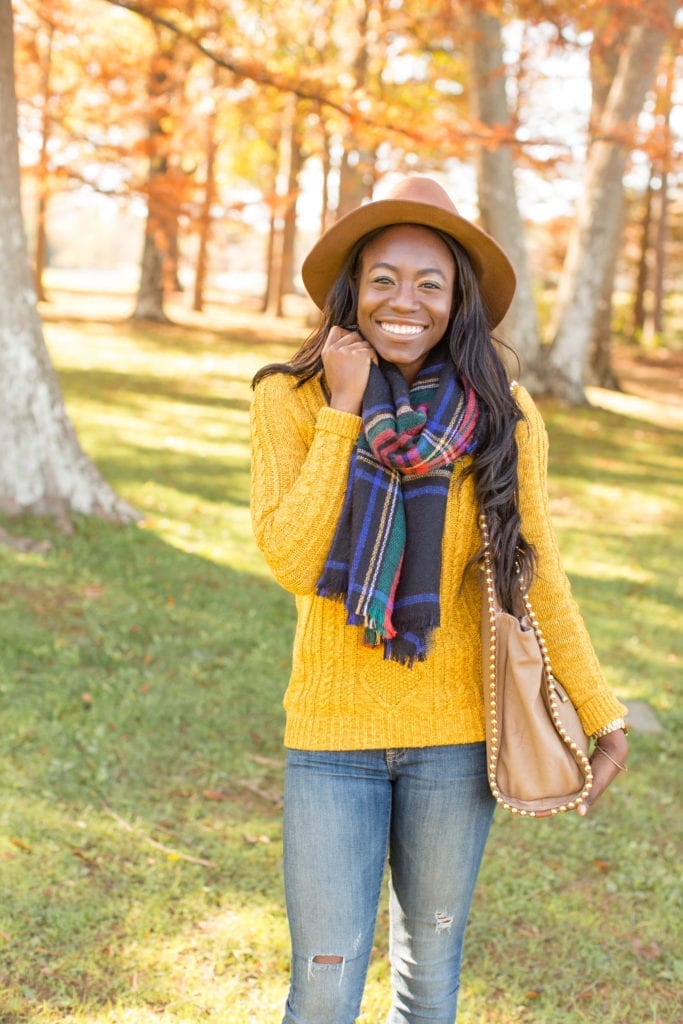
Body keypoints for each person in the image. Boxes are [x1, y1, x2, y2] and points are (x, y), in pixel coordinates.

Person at [249, 176, 628, 1024]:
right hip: (331, 739)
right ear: (353, 290)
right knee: (321, 985)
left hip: (454, 741)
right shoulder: (291, 397)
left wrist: (598, 710)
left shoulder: (504, 413)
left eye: (430, 281)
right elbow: (293, 559)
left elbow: (537, 572)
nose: (404, 300)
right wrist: (343, 413)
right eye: (383, 277)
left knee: (429, 985)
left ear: (457, 300)